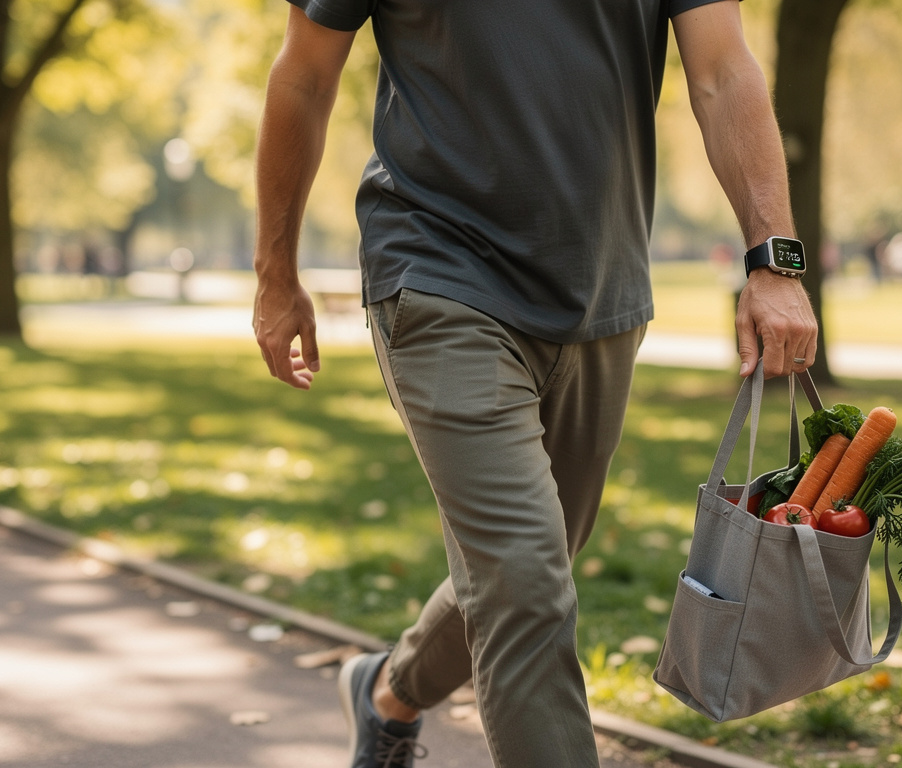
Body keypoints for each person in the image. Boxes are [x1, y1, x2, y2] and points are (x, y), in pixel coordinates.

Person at [251, 2, 818, 766]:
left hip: (602, 292)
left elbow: (721, 70)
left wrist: (771, 260)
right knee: (523, 577)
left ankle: (388, 692)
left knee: (529, 567)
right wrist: (274, 271)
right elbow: (306, 75)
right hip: (436, 270)